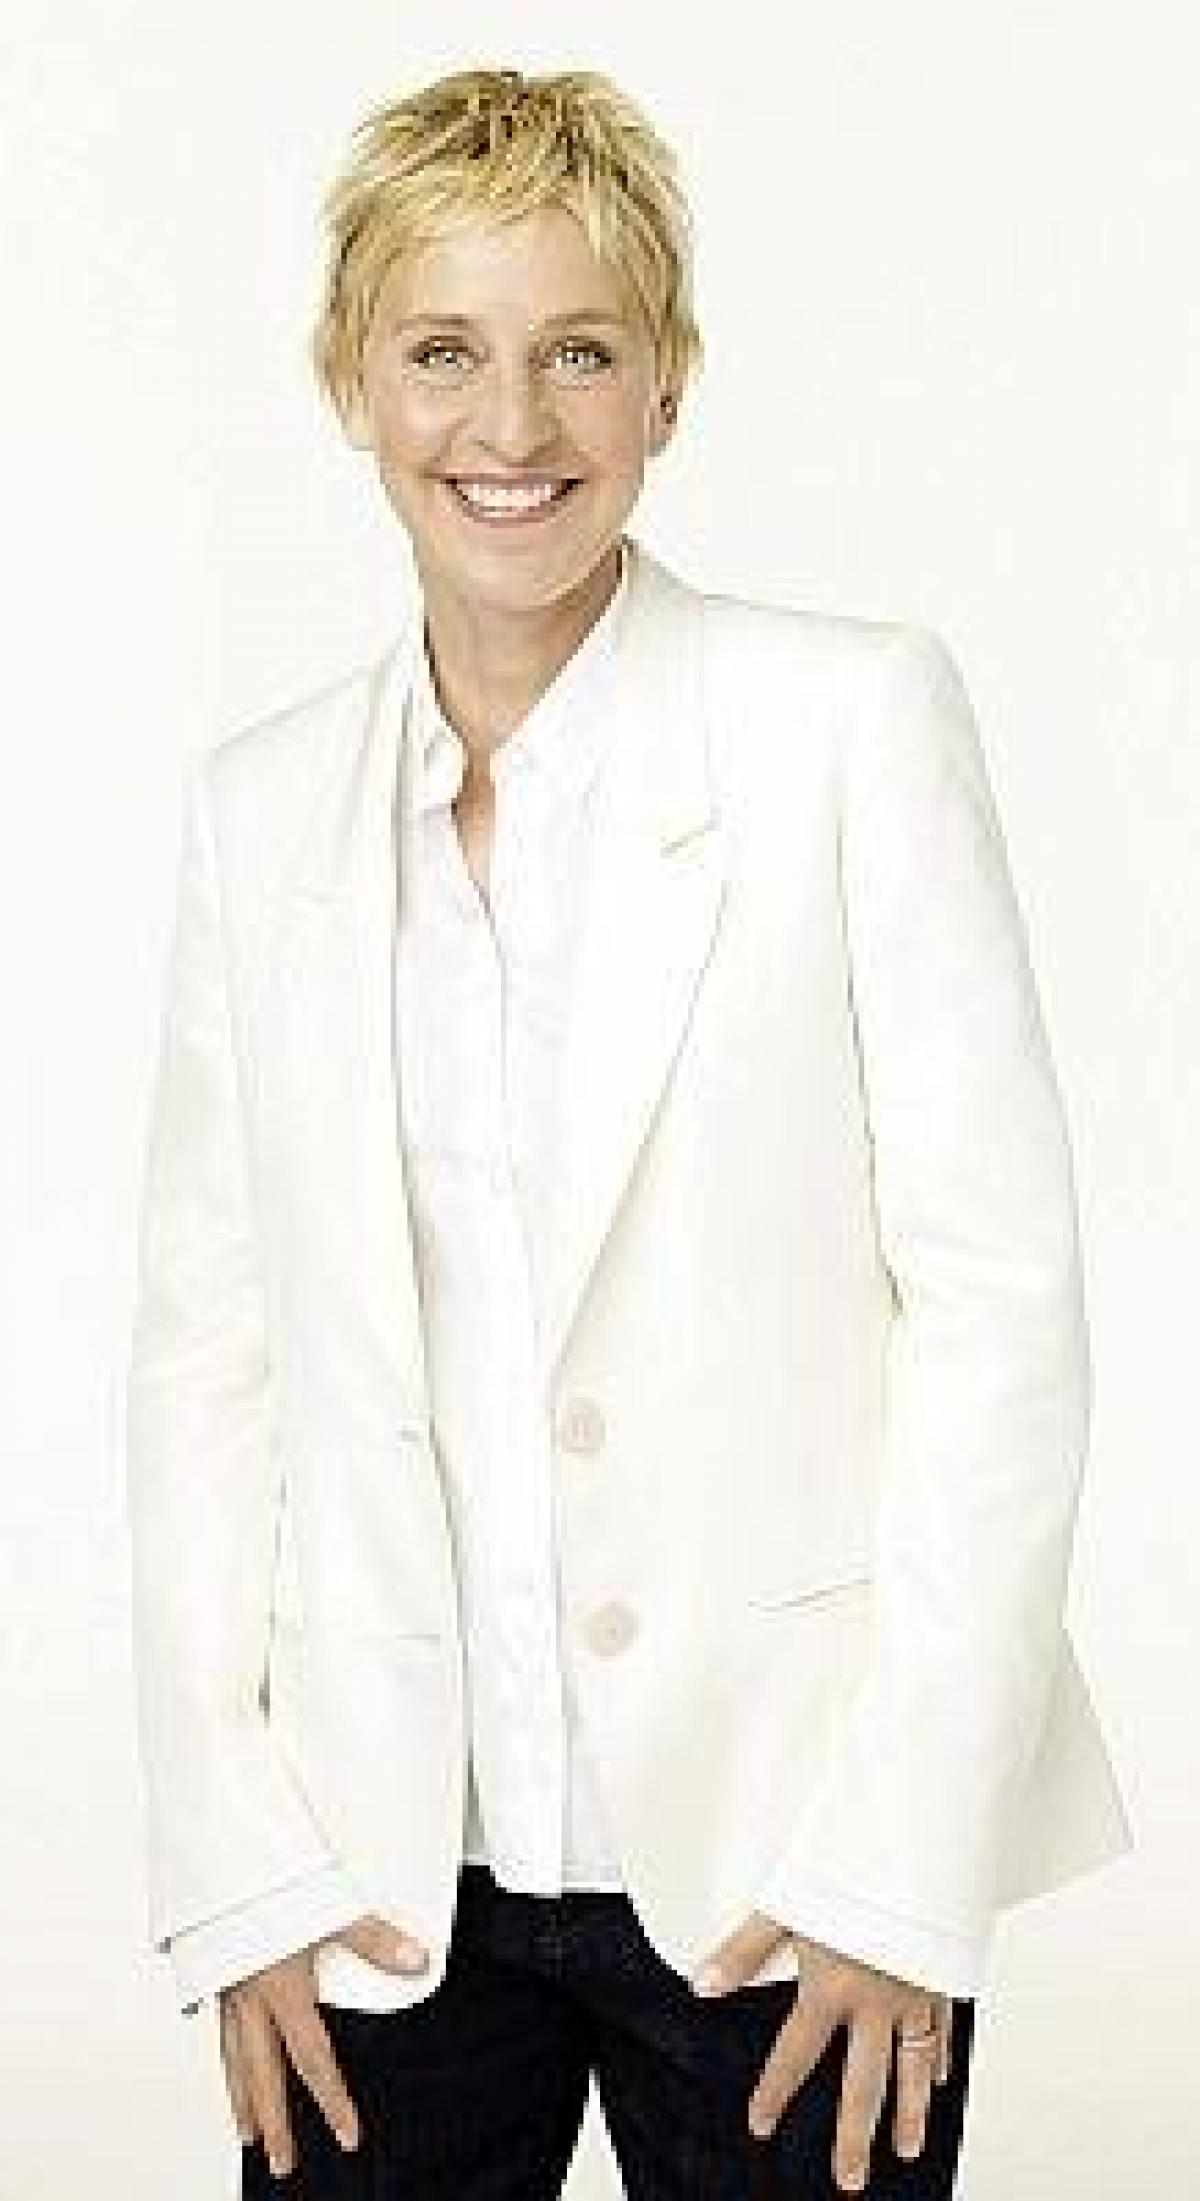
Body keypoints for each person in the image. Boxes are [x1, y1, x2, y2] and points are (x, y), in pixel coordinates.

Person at [125, 63, 1133, 2199]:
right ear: (347, 378)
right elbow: (209, 1361)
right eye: (443, 351)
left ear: (669, 381)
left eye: (579, 351)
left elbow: (999, 1309)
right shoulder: (259, 811)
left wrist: (902, 1866)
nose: (512, 423)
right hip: (380, 1871)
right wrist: (236, 1859)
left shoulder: (848, 726)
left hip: (788, 1855)